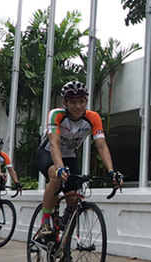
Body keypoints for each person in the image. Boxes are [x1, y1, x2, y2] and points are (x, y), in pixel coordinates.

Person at [34, 81, 122, 243]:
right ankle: (45, 222)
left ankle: (64, 246)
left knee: (74, 201)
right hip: (48, 154)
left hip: (70, 157)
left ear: (86, 102)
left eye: (81, 101)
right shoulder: (56, 115)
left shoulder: (93, 118)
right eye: (73, 102)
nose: (78, 106)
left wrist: (112, 172)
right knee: (55, 176)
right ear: (65, 103)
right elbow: (54, 143)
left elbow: (101, 146)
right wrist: (59, 167)